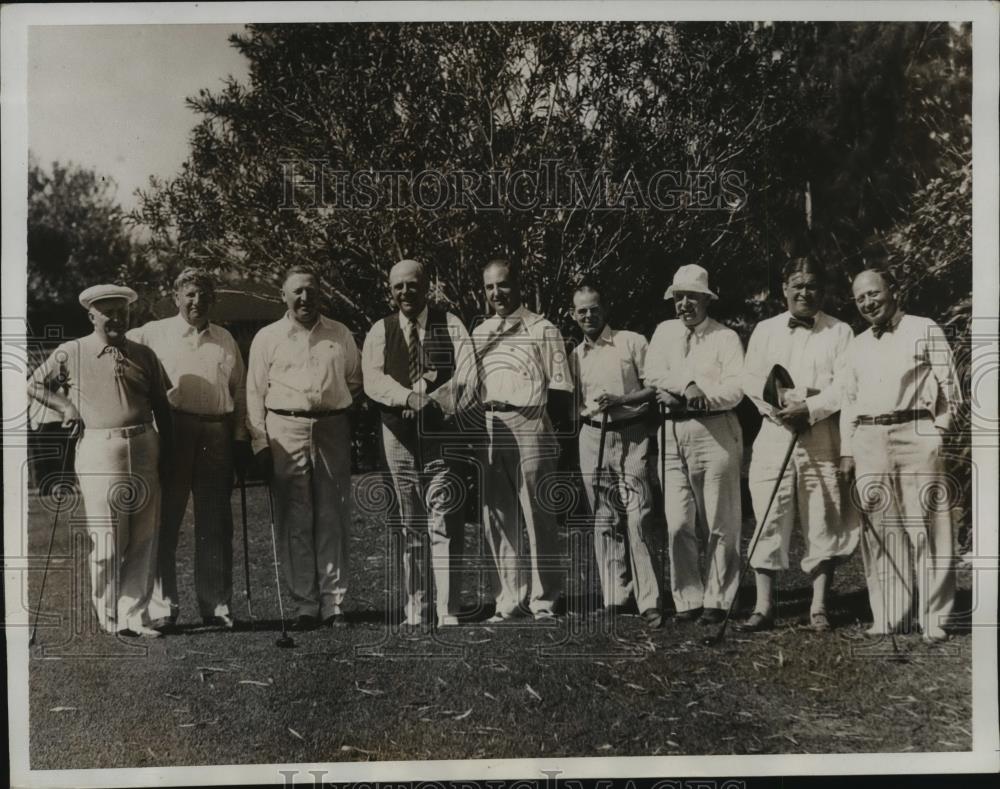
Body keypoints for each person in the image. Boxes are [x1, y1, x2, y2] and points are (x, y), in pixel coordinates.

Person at [28, 284, 173, 637]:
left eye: (122, 311)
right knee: (107, 540)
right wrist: (66, 406)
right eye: (108, 311)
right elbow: (33, 384)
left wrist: (167, 451)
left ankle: (134, 616)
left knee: (144, 535)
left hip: (143, 444)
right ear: (92, 315)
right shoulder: (71, 352)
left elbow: (162, 407)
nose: (116, 318)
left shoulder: (144, 354)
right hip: (98, 447)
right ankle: (108, 617)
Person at [735, 257, 858, 633]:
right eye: (797, 285)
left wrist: (811, 408)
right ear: (784, 289)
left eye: (812, 285)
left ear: (823, 290)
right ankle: (764, 607)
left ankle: (819, 606)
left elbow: (845, 386)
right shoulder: (765, 330)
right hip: (774, 434)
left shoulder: (841, 332)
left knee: (823, 515)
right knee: (770, 515)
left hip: (820, 435)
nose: (804, 292)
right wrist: (778, 408)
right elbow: (750, 378)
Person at [840, 269, 961, 643]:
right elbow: (849, 400)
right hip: (869, 438)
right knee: (879, 531)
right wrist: (848, 450)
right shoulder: (857, 344)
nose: (868, 303)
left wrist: (937, 434)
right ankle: (889, 614)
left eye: (873, 294)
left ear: (893, 291)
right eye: (860, 298)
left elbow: (950, 388)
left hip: (916, 434)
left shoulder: (924, 328)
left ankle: (934, 616)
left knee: (927, 526)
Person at [127, 268, 252, 631]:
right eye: (190, 294)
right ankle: (163, 607)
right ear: (176, 296)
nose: (197, 302)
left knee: (215, 523)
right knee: (166, 520)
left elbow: (240, 390)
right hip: (173, 430)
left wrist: (241, 437)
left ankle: (216, 605)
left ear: (213, 299)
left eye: (204, 295)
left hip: (216, 431)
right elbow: (117, 353)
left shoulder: (225, 338)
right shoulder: (151, 333)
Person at [246, 266, 363, 630]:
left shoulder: (339, 333)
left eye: (311, 291)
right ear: (284, 296)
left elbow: (355, 381)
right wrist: (260, 441)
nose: (304, 298)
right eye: (297, 291)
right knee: (296, 518)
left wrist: (332, 407)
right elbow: (253, 393)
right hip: (285, 427)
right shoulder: (267, 337)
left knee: (332, 515)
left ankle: (333, 603)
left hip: (331, 427)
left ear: (320, 293)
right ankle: (305, 605)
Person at [362, 259, 476, 628]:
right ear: (390, 290)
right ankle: (417, 607)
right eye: (398, 286)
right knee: (411, 522)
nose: (405, 292)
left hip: (443, 434)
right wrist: (408, 399)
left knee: (444, 516)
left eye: (412, 285)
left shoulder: (451, 323)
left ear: (426, 286)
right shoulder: (381, 329)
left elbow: (469, 375)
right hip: (398, 436)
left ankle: (448, 609)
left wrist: (432, 402)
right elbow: (372, 379)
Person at [472, 258, 574, 622]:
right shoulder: (481, 332)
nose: (496, 293)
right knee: (497, 518)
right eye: (489, 287)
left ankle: (544, 600)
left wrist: (551, 435)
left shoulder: (543, 329)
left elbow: (561, 388)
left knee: (538, 514)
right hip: (490, 424)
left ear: (518, 285)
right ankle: (509, 600)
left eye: (502, 285)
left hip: (531, 420)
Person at [644, 264, 745, 626]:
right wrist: (688, 385)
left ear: (706, 298)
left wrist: (694, 400)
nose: (684, 303)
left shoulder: (725, 338)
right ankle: (688, 597)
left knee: (720, 520)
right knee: (677, 521)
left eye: (691, 296)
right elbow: (652, 373)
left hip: (714, 431)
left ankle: (719, 597)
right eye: (678, 296)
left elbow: (736, 390)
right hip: (671, 433)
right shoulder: (664, 332)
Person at [571, 284, 663, 627]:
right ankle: (616, 596)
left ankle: (650, 599)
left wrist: (622, 400)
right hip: (592, 436)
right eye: (582, 311)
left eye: (594, 309)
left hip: (632, 433)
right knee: (604, 518)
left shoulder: (631, 341)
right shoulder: (576, 354)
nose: (588, 316)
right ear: (574, 315)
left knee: (638, 514)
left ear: (604, 308)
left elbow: (654, 387)